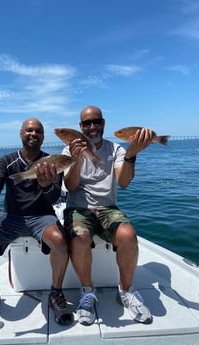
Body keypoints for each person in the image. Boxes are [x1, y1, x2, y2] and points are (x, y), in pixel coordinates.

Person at [0, 118, 74, 327]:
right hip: (10, 216)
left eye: (38, 131)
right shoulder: (6, 160)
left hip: (42, 216)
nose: (33, 133)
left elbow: (53, 198)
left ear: (43, 136)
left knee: (61, 242)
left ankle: (56, 293)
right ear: (20, 134)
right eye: (29, 130)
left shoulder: (53, 161)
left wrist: (45, 186)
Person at [62, 105, 153, 326]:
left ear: (103, 123)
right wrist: (75, 160)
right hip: (78, 209)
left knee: (128, 235)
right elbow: (70, 187)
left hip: (107, 209)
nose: (92, 127)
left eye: (96, 122)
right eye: (87, 123)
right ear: (80, 127)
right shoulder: (68, 151)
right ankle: (87, 292)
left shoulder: (116, 150)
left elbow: (123, 183)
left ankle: (127, 291)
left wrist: (131, 155)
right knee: (79, 237)